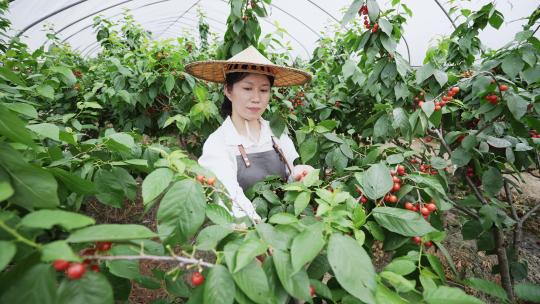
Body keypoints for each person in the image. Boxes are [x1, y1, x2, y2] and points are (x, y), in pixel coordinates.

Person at [185, 46, 314, 221]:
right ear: (228, 91)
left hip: (284, 224)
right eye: (247, 88)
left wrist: (298, 174)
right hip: (245, 235)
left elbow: (288, 177)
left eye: (263, 90)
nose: (256, 98)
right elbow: (229, 200)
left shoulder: (276, 134)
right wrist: (262, 233)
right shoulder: (218, 144)